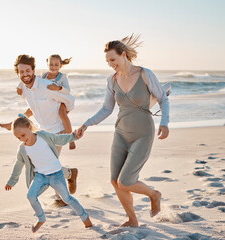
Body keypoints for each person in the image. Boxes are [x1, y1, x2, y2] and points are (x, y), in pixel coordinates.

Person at [74, 34, 170, 227]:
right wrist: (86, 124)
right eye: (107, 61)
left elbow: (163, 99)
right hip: (121, 134)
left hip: (143, 134)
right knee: (114, 180)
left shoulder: (144, 74)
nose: (110, 64)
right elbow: (107, 109)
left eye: (113, 60)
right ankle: (132, 220)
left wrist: (164, 123)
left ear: (124, 55)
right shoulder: (112, 80)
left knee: (125, 182)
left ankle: (154, 194)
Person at [0, 54, 79, 207]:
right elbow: (33, 109)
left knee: (49, 164)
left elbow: (70, 100)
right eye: (21, 72)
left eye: (28, 71)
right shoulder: (24, 88)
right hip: (43, 131)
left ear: (34, 70)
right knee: (43, 163)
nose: (25, 74)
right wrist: (13, 122)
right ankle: (69, 174)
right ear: (18, 74)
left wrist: (64, 111)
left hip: (57, 130)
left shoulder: (46, 85)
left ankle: (62, 195)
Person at [4, 115, 92, 232]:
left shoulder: (43, 136)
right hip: (40, 177)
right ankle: (41, 219)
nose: (21, 139)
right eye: (18, 138)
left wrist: (73, 137)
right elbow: (18, 165)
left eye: (23, 135)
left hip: (56, 174)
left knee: (67, 199)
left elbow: (58, 139)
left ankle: (85, 218)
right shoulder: (22, 148)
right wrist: (12, 181)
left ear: (29, 127)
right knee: (31, 196)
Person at [15, 54, 76, 150]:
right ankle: (19, 119)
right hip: (43, 131)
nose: (53, 67)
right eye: (51, 64)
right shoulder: (39, 78)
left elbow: (69, 95)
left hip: (57, 126)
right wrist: (19, 86)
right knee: (32, 108)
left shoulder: (58, 80)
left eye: (56, 65)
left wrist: (65, 107)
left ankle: (71, 139)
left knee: (62, 114)